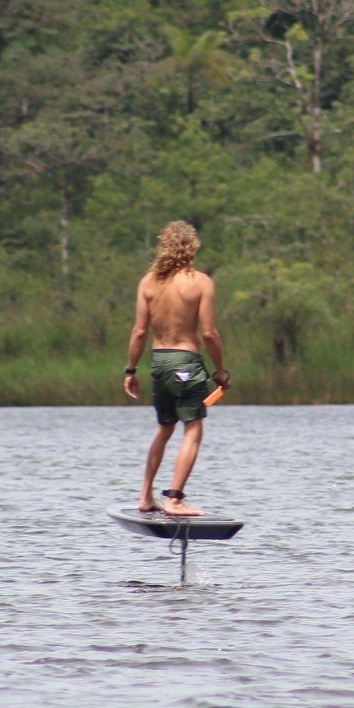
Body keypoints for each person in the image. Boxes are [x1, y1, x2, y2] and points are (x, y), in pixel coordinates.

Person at [123, 220, 228, 517]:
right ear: (192, 248)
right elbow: (209, 333)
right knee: (193, 430)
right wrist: (220, 371)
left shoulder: (148, 282)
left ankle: (145, 496)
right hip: (186, 364)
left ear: (163, 247)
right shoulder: (200, 282)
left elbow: (139, 332)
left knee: (165, 428)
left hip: (158, 363)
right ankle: (174, 499)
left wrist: (130, 371)